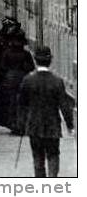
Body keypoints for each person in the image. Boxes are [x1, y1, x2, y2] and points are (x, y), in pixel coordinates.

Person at [17, 46, 75, 178]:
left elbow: (21, 104)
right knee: (53, 154)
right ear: (50, 61)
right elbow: (64, 106)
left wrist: (21, 124)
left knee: (38, 157)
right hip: (52, 125)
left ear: (36, 60)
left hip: (34, 125)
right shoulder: (57, 81)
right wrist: (70, 125)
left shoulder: (28, 80)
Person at [0, 32, 35, 133]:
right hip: (23, 79)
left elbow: (2, 67)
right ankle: (21, 124)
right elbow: (31, 67)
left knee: (11, 102)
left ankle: (13, 124)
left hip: (9, 80)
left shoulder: (7, 53)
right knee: (22, 103)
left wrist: (1, 81)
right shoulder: (26, 54)